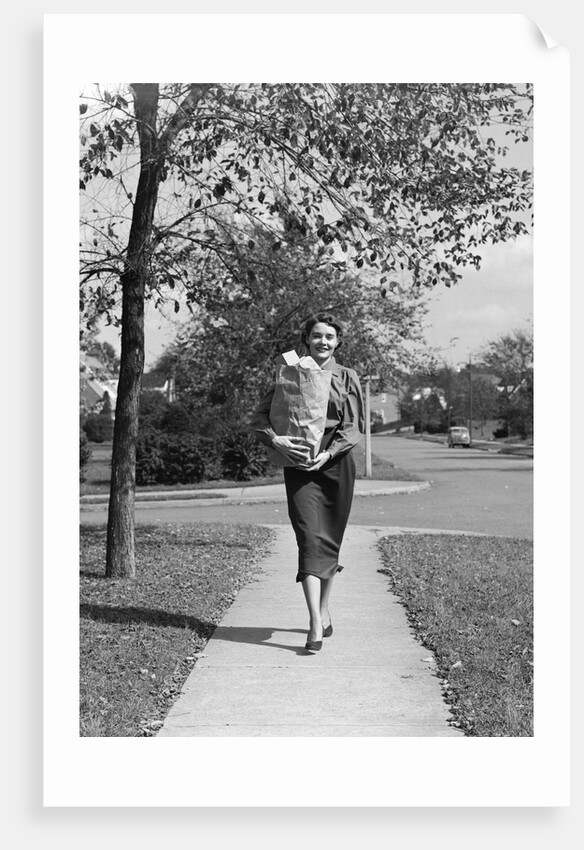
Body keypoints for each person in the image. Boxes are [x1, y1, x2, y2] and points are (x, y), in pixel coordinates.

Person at [251, 312, 365, 652]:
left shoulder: (347, 377)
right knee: (308, 539)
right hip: (299, 464)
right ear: (307, 340)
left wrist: (327, 455)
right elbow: (260, 417)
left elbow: (353, 426)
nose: (323, 342)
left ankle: (324, 608)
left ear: (338, 341)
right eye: (317, 336)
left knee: (328, 541)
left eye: (329, 336)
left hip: (335, 465)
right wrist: (276, 440)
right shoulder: (290, 374)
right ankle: (314, 620)